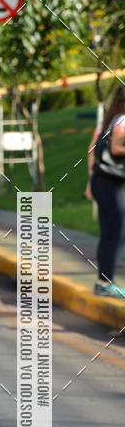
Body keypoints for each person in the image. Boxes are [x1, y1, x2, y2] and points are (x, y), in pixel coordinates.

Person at [85, 86, 125, 298]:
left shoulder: (108, 120)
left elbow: (91, 149)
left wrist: (90, 181)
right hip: (110, 182)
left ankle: (103, 282)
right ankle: (105, 281)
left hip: (101, 181)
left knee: (108, 233)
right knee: (118, 233)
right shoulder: (122, 120)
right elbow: (117, 148)